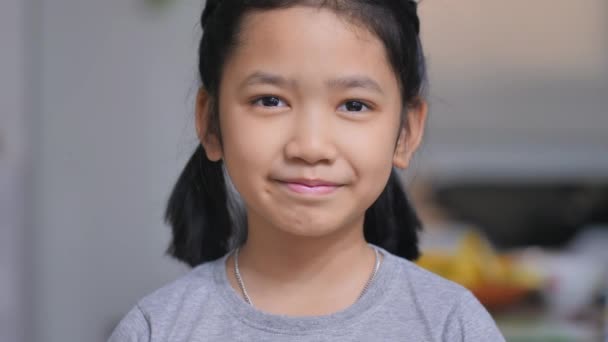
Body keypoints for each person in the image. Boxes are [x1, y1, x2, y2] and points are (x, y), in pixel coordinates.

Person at [109, 0, 505, 340]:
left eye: (354, 105)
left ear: (405, 132)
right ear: (211, 122)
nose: (311, 147)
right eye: (269, 100)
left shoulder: (451, 325)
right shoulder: (157, 329)